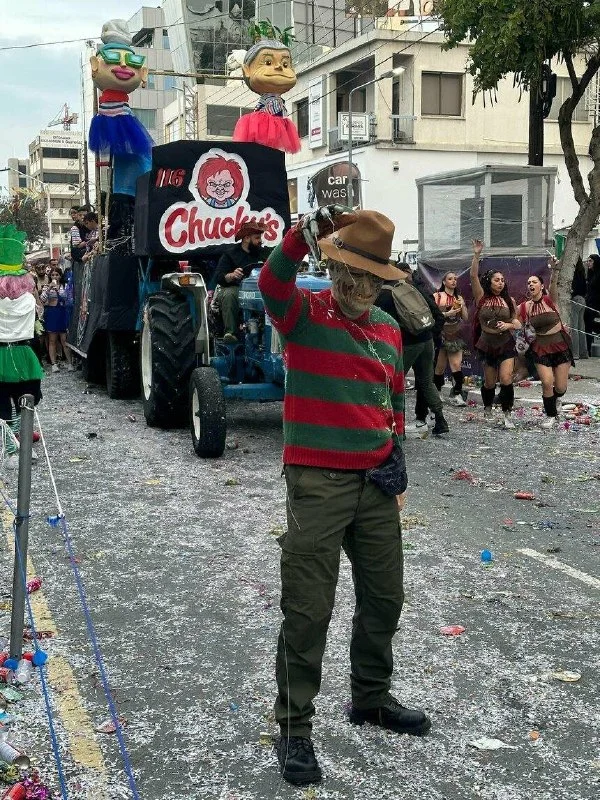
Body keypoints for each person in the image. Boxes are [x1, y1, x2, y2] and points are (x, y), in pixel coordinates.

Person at [258, 207, 430, 787]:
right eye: (349, 276)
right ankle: (294, 726)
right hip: (317, 482)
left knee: (385, 597)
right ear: (332, 269)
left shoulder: (387, 329)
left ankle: (371, 698)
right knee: (308, 608)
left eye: (369, 280)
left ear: (383, 281)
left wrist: (398, 466)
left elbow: (393, 401)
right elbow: (271, 284)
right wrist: (297, 238)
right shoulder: (304, 314)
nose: (358, 289)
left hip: (376, 482)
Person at [375, 264, 449, 436]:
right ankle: (440, 419)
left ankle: (397, 428)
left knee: (396, 383)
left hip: (407, 343)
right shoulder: (409, 287)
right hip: (426, 338)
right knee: (426, 381)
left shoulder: (383, 295)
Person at [0, 225, 44, 468]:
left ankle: (11, 450)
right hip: (24, 354)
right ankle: (22, 446)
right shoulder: (28, 300)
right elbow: (37, 321)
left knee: (2, 405)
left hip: (1, 354)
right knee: (24, 402)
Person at [470, 239, 521, 427]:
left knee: (506, 379)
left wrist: (508, 325)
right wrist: (477, 255)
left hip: (505, 343)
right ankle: (488, 407)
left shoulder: (509, 301)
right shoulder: (481, 297)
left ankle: (507, 413)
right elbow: (473, 276)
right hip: (487, 343)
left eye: (502, 280)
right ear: (489, 282)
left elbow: (517, 323)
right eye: (496, 280)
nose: (500, 283)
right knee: (490, 382)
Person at [518, 267, 573, 428]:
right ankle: (550, 415)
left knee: (561, 387)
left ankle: (556, 399)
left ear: (541, 286)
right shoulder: (524, 307)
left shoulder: (550, 300)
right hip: (540, 348)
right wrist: (508, 325)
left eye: (534, 282)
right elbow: (515, 323)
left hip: (560, 345)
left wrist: (555, 271)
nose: (531, 284)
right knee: (547, 382)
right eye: (528, 283)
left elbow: (553, 285)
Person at [213, 221, 269, 343]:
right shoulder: (230, 254)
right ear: (247, 238)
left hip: (261, 289)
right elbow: (218, 277)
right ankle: (230, 333)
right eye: (257, 238)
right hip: (238, 289)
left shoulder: (264, 253)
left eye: (260, 238)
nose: (260, 241)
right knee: (229, 294)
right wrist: (232, 275)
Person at [433, 272, 469, 405]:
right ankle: (437, 391)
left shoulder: (458, 297)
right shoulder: (437, 296)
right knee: (440, 366)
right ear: (444, 282)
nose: (453, 281)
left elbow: (465, 318)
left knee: (456, 364)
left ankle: (457, 393)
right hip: (440, 333)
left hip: (455, 334)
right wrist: (447, 313)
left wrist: (462, 306)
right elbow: (432, 315)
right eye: (450, 279)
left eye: (455, 279)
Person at [40, 266, 73, 373]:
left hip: (62, 312)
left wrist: (59, 291)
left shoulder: (65, 286)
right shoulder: (46, 287)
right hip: (51, 313)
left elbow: (69, 299)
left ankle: (70, 362)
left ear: (60, 276)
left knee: (64, 339)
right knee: (52, 340)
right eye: (53, 275)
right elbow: (42, 299)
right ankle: (54, 363)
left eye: (57, 275)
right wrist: (49, 289)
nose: (55, 277)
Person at [570, 257, 588, 361]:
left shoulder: (573, 275)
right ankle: (583, 353)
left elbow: (573, 289)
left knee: (574, 328)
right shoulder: (582, 273)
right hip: (582, 300)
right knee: (581, 328)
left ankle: (575, 354)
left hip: (575, 300)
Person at [584, 253, 600, 355]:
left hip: (597, 304)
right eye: (587, 261)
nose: (588, 263)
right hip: (589, 303)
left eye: (590, 261)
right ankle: (588, 349)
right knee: (588, 326)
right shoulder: (590, 274)